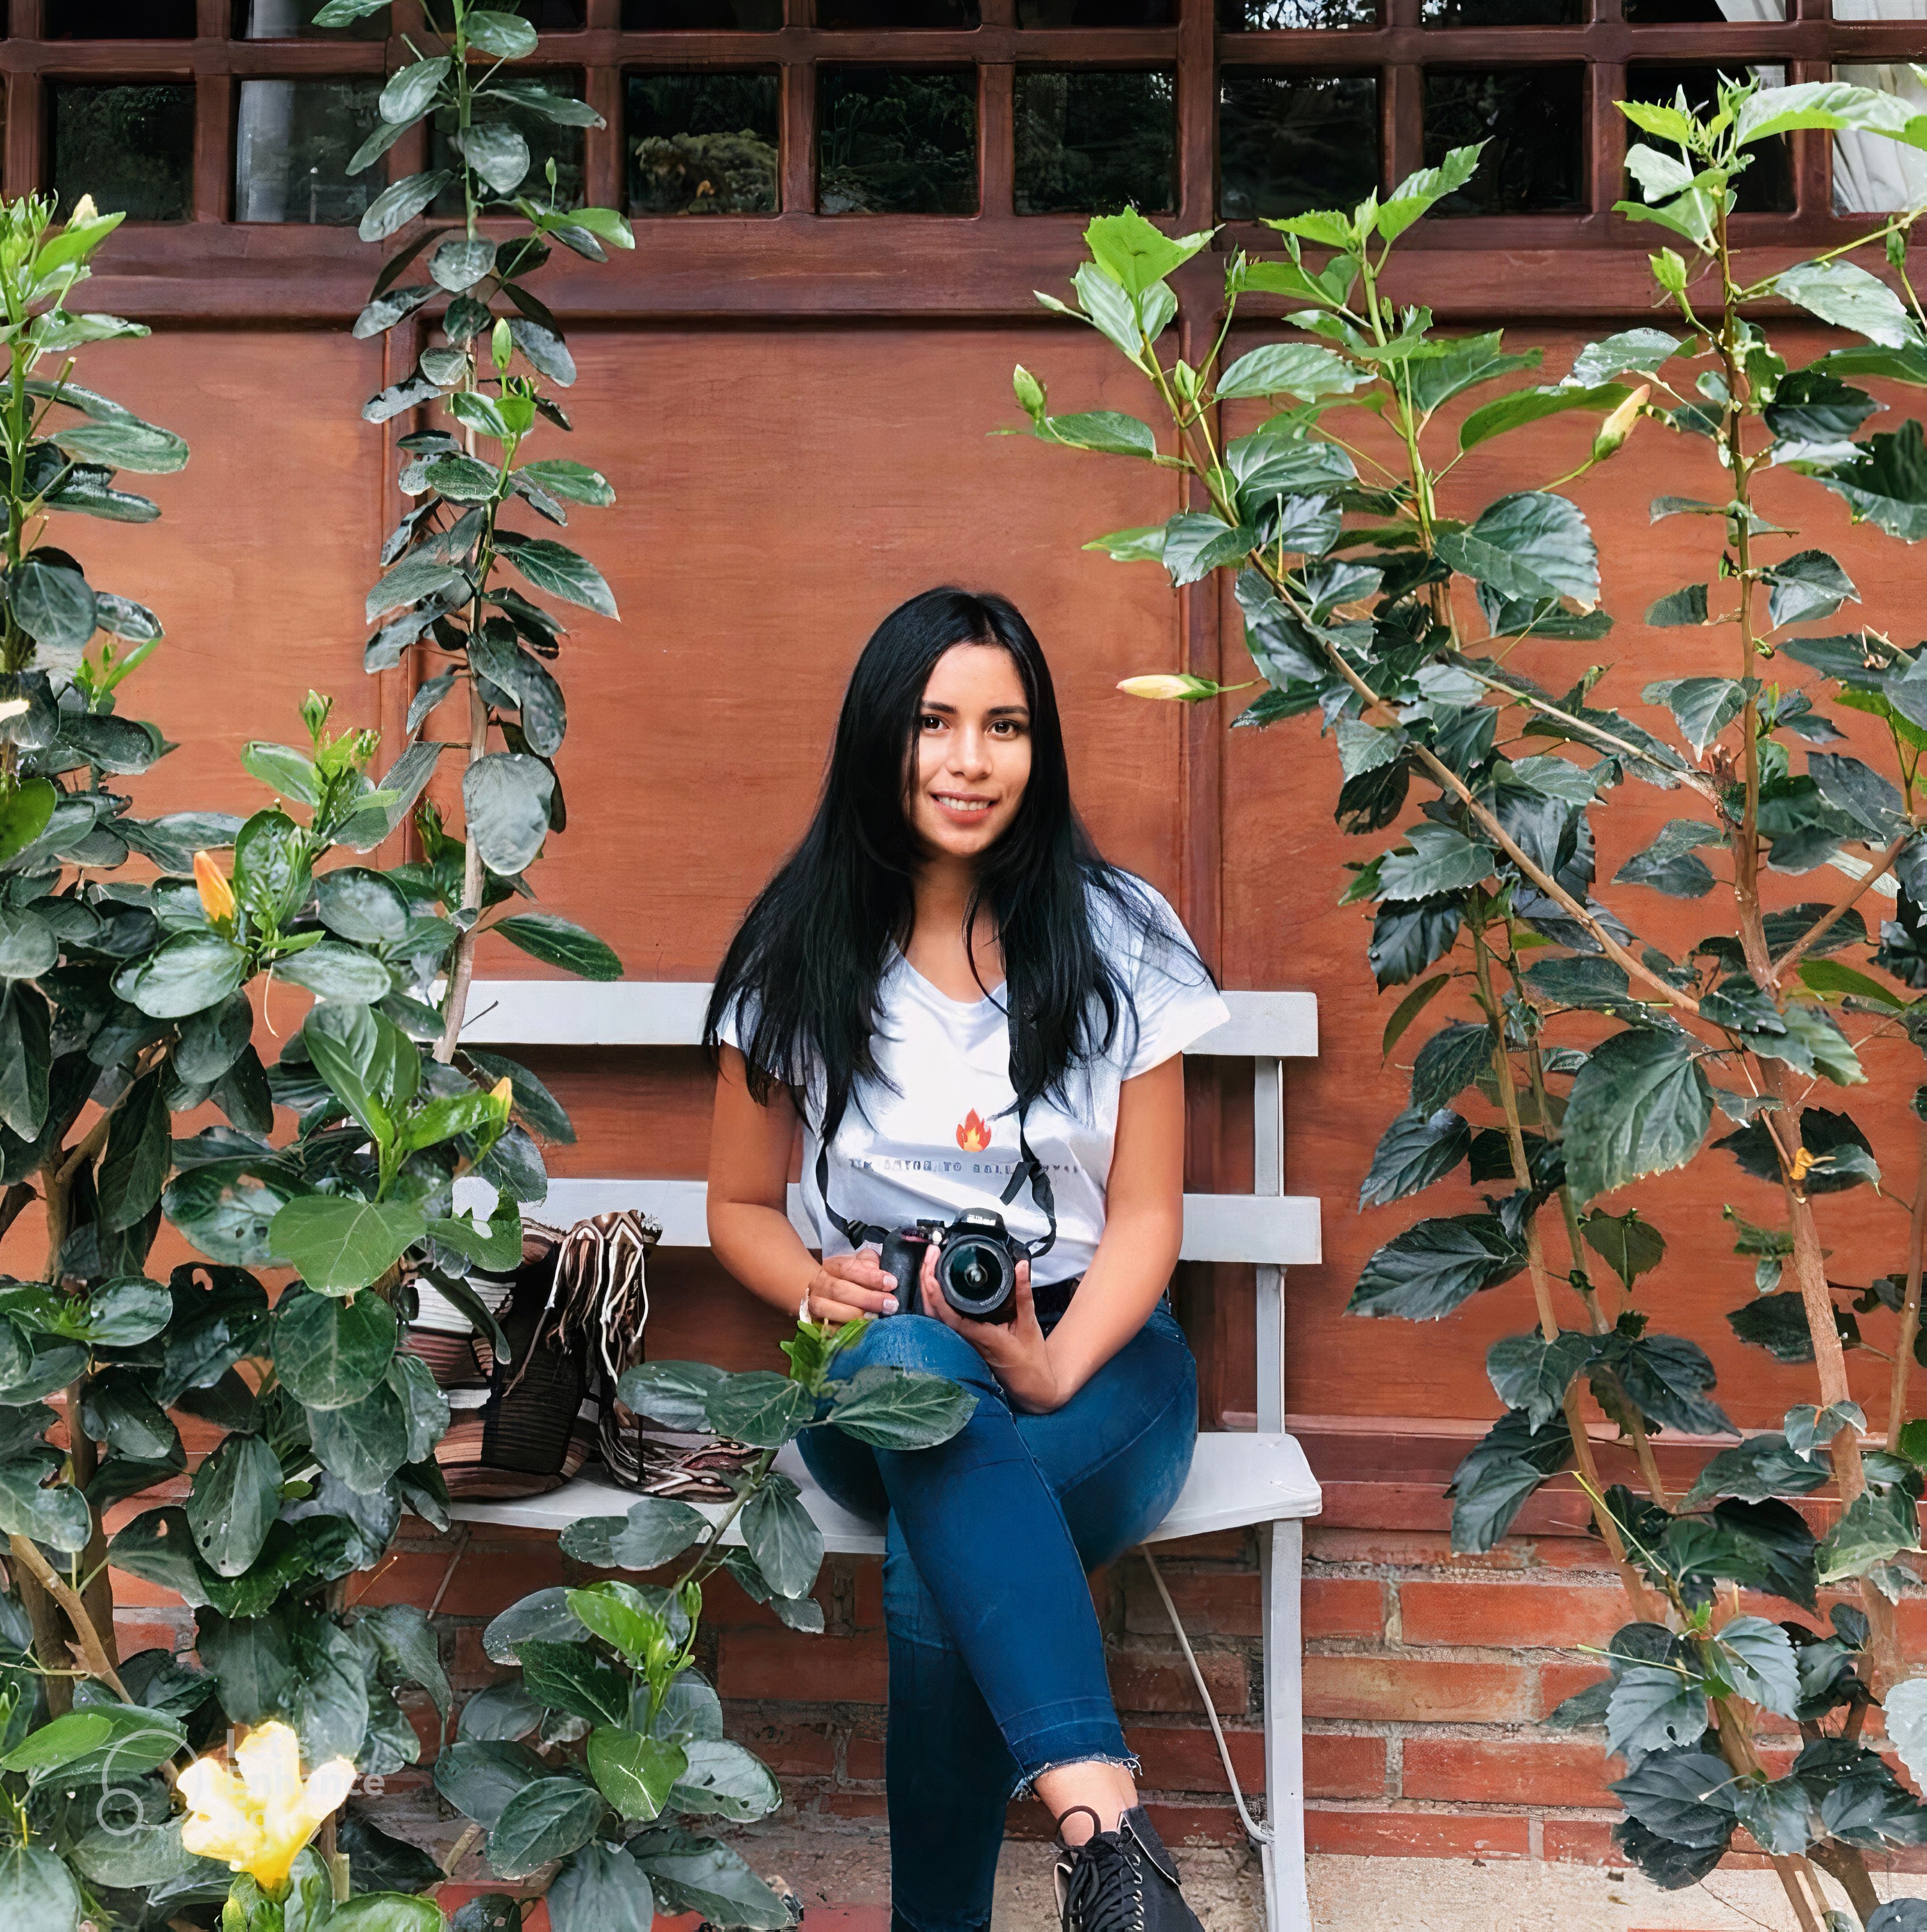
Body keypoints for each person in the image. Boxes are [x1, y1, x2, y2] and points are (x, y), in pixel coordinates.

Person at [704, 587, 1229, 1932]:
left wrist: (1050, 1364)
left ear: (1038, 750)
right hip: (880, 1358)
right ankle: (1107, 1830)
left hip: (1099, 1356)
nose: (968, 760)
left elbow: (1147, 1219)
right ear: (881, 735)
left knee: (938, 1559)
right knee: (912, 1374)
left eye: (1004, 727)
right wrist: (812, 1283)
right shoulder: (802, 943)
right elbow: (740, 1207)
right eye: (934, 722)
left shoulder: (1119, 933)